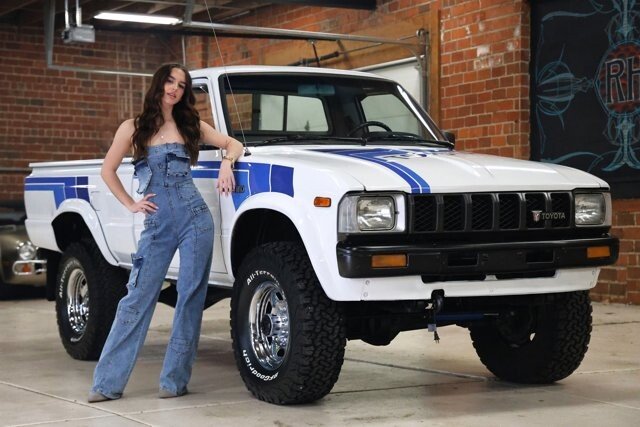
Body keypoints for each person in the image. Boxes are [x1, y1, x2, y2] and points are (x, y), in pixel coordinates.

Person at [88, 63, 244, 402]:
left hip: (195, 220)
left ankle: (174, 381)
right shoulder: (133, 127)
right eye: (170, 81)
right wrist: (131, 203)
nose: (174, 88)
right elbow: (107, 170)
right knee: (136, 298)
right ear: (159, 84)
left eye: (181, 85)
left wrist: (226, 162)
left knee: (190, 297)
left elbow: (233, 144)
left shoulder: (191, 125)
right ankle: (106, 384)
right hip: (157, 224)